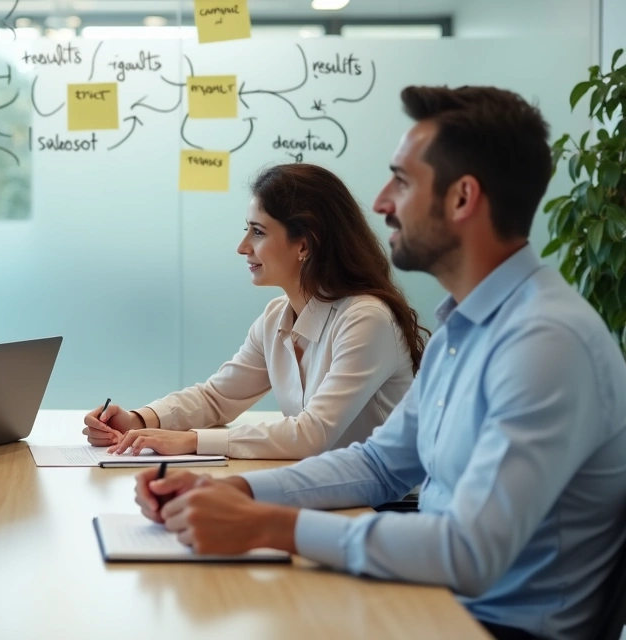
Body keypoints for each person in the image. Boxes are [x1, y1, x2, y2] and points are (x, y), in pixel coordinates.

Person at [134, 86, 626, 640]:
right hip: (438, 603)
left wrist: (270, 525)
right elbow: (379, 465)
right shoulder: (464, 330)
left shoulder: (545, 342)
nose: (381, 201)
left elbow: (470, 552)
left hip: (493, 625)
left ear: (463, 198)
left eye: (403, 180)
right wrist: (241, 494)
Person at [84, 163, 427, 460]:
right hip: (325, 485)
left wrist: (192, 441)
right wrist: (139, 420)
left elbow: (313, 435)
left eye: (258, 232)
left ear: (305, 245)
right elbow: (217, 398)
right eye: (246, 229)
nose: (242, 246)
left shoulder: (366, 319)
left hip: (387, 504)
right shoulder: (277, 316)